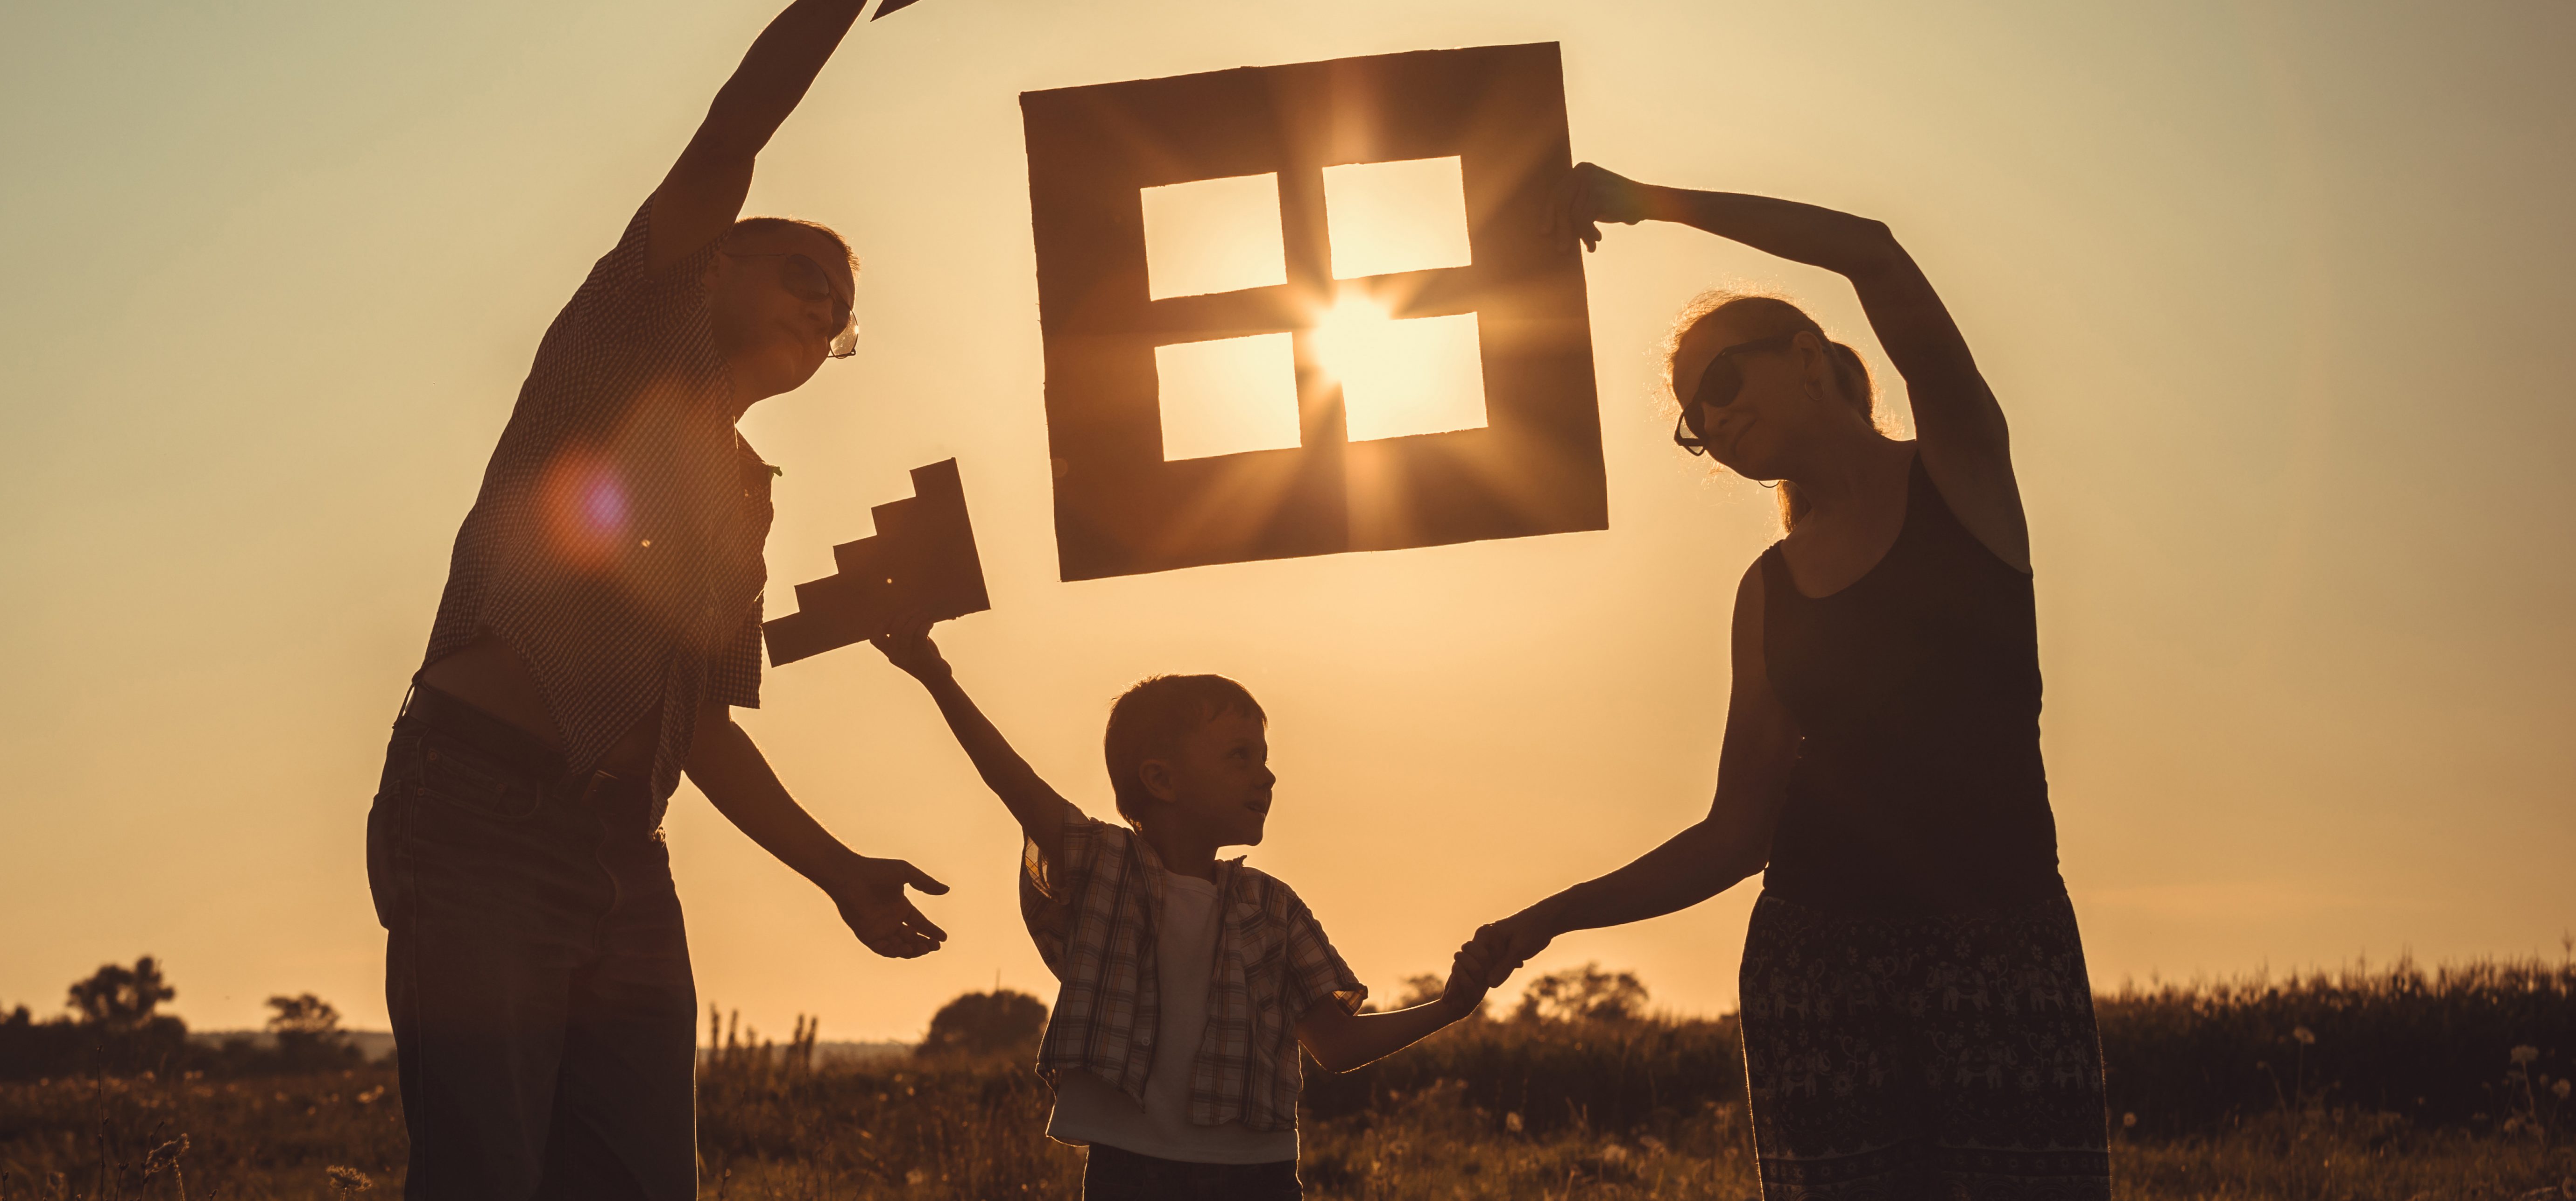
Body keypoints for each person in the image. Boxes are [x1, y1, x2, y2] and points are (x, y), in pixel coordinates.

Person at [366, 0, 993, 1199]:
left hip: (622, 861)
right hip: (477, 812)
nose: (819, 312)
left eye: (837, 315)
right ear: (707, 266)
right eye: (795, 275)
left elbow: (695, 720)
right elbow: (736, 123)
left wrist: (837, 871)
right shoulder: (614, 352)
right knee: (483, 1177)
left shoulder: (744, 501)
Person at [1465, 164, 2112, 1199]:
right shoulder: (1768, 591)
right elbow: (1736, 831)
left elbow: (1874, 249)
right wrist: (1551, 915)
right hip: (1817, 977)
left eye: (1721, 383)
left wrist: (1647, 202)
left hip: (2003, 951)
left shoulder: (1962, 474)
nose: (1710, 422)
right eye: (1691, 418)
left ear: (1807, 358)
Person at [872, 624, 1496, 1200]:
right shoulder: (1101, 865)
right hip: (1131, 1170)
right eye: (1239, 756)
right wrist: (935, 675)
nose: (1268, 775)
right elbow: (1010, 778)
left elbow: (1332, 1044)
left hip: (1261, 1176)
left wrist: (1449, 1008)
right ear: (1161, 780)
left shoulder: (1273, 907)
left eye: (1263, 756)